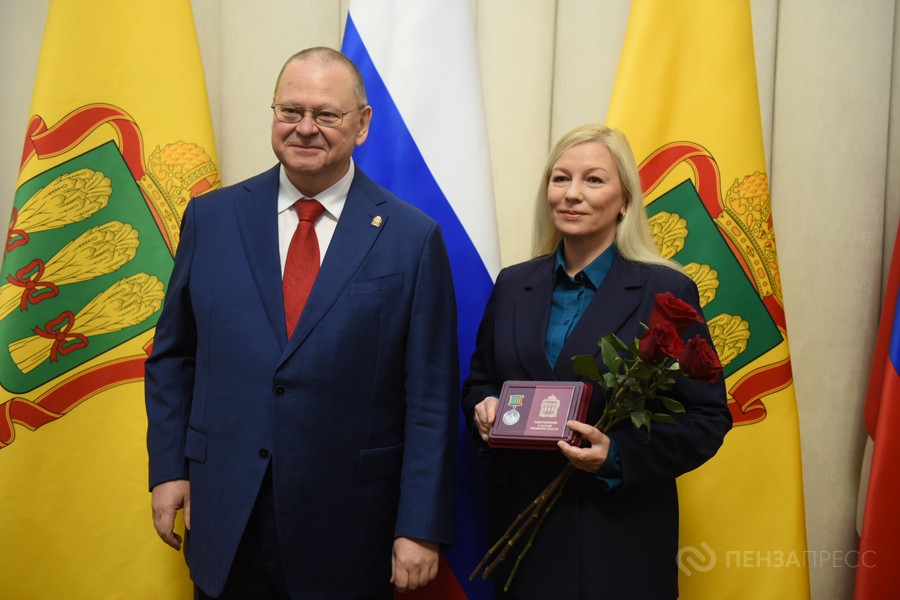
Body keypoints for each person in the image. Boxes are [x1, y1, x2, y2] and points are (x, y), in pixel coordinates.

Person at [145, 47, 459, 600]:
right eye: (290, 110)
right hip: (224, 515)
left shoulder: (412, 239)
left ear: (362, 124)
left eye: (326, 114)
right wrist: (170, 469)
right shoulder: (211, 218)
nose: (305, 128)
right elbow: (174, 356)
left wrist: (420, 525)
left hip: (350, 528)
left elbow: (430, 398)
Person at [462, 124, 732, 599]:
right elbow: (480, 383)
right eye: (560, 178)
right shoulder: (513, 284)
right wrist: (482, 409)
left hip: (619, 542)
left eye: (593, 180)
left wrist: (617, 456)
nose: (572, 194)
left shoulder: (666, 291)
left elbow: (707, 418)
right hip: (522, 535)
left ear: (624, 200)